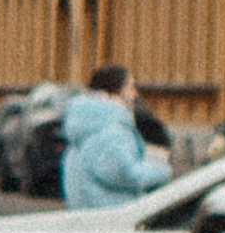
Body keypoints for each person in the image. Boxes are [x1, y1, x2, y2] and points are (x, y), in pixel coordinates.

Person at [61, 63, 171, 209]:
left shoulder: (86, 126)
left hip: (87, 213)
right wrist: (163, 170)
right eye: (130, 88)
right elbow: (124, 173)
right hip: (111, 216)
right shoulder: (111, 130)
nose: (135, 94)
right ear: (112, 92)